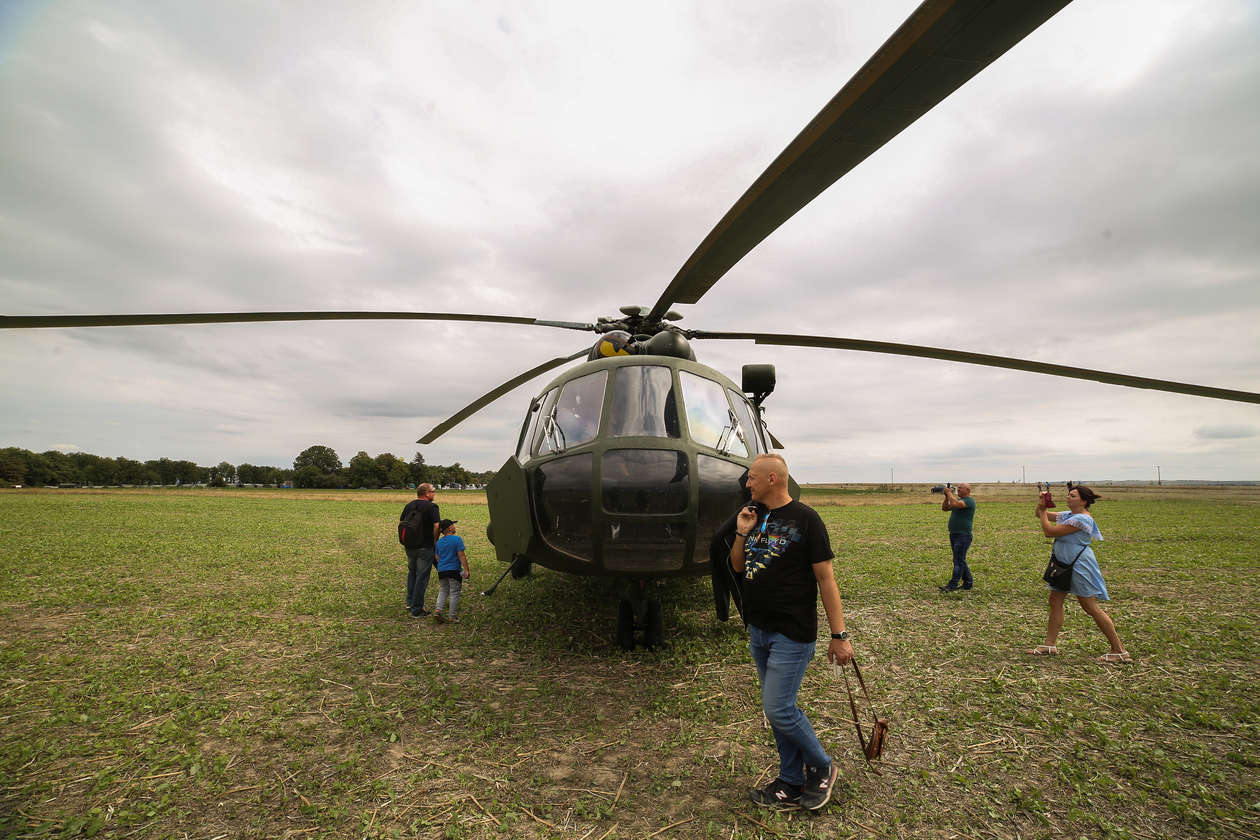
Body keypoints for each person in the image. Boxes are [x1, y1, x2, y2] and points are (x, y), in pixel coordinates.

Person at [730, 453, 852, 811]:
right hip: (760, 631)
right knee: (776, 710)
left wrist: (839, 635)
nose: (747, 483)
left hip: (792, 632)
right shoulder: (755, 515)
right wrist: (742, 531)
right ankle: (790, 780)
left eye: (752, 478)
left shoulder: (806, 519)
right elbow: (738, 566)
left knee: (779, 707)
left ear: (772, 479)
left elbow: (826, 579)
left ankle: (822, 765)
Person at [1027, 484, 1130, 663]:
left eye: (1072, 496)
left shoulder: (1082, 519)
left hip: (1079, 566)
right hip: (1063, 565)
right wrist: (1041, 504)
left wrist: (1044, 510)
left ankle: (1119, 650)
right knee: (1055, 600)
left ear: (1083, 501)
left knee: (1090, 607)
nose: (1068, 497)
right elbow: (1039, 514)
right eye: (1068, 495)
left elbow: (1049, 531)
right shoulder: (1069, 515)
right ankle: (1049, 644)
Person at [399, 484, 440, 616]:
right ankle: (417, 609)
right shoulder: (432, 507)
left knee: (412, 573)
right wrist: (435, 541)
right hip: (425, 546)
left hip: (409, 546)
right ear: (426, 493)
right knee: (422, 577)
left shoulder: (409, 505)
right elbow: (436, 525)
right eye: (433, 491)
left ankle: (410, 602)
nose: (434, 494)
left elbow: (401, 523)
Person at [938, 483, 976, 591]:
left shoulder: (968, 501)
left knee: (958, 561)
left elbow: (955, 504)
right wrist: (946, 497)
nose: (958, 489)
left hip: (963, 535)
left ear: (968, 490)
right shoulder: (957, 500)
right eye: (958, 488)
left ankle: (952, 585)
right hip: (954, 534)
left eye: (960, 488)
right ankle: (968, 583)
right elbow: (945, 508)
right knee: (959, 560)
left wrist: (949, 493)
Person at [433, 519, 470, 623]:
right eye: (453, 525)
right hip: (454, 570)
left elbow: (437, 557)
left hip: (442, 571)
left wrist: (443, 564)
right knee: (454, 592)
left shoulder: (439, 542)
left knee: (443, 590)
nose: (455, 526)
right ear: (449, 528)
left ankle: (438, 610)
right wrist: (466, 570)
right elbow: (461, 555)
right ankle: (452, 617)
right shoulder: (457, 540)